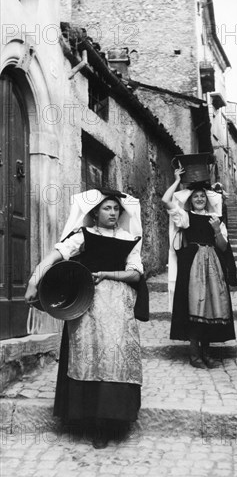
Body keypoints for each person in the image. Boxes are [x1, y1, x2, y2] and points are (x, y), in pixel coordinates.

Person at [25, 188, 145, 448]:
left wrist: (108, 274)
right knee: (88, 356)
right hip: (86, 304)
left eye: (116, 209)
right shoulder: (83, 236)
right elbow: (56, 255)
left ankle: (113, 418)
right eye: (107, 208)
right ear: (94, 213)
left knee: (116, 355)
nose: (113, 213)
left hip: (118, 306)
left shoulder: (129, 238)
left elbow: (135, 273)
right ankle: (93, 422)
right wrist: (35, 280)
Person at [162, 164, 236, 369]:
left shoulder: (216, 219)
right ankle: (194, 354)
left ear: (207, 199)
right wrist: (177, 180)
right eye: (196, 197)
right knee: (194, 306)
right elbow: (166, 201)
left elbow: (222, 247)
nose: (200, 199)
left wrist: (216, 230)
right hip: (192, 265)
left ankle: (207, 352)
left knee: (211, 307)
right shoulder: (186, 218)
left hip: (213, 265)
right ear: (191, 201)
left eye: (203, 196)